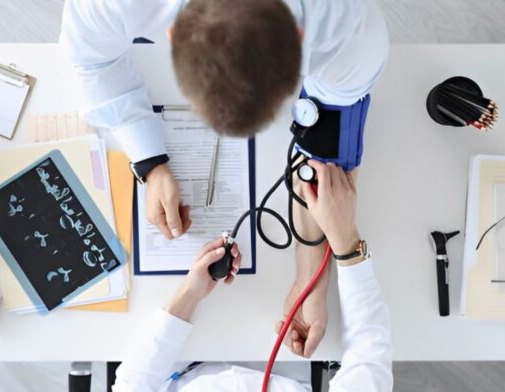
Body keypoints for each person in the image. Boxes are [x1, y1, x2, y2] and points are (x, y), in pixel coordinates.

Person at [60, 0, 389, 241]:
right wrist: (148, 161)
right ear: (173, 35)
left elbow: (329, 136)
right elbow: (91, 63)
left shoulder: (346, 19)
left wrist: (309, 284)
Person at [112, 161, 393, 391]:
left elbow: (131, 385)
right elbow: (369, 355)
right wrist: (345, 242)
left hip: (183, 362)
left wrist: (190, 293)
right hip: (288, 363)